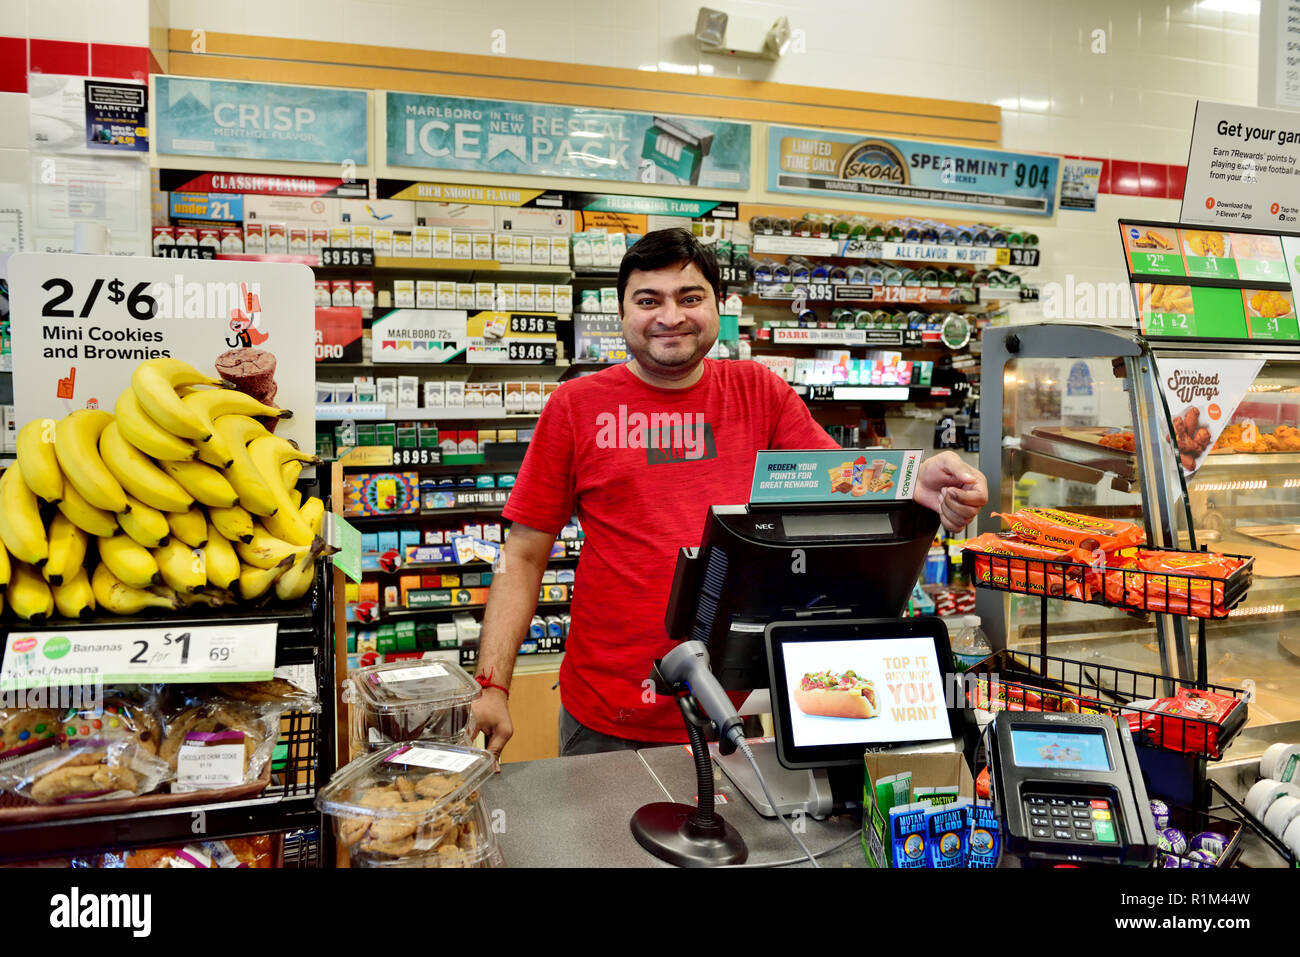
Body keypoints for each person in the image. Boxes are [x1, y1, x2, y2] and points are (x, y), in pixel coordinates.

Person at [470, 228, 988, 758]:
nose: (670, 317)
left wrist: (913, 480)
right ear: (622, 312)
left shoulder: (758, 390)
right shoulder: (575, 406)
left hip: (743, 707)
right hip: (609, 715)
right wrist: (492, 685)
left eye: (690, 298)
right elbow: (522, 555)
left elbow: (840, 481)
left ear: (719, 305)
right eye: (648, 300)